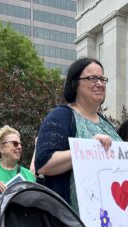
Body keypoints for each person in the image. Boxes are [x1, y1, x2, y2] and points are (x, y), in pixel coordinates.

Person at [35, 58, 120, 208]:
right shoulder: (61, 116)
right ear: (75, 83)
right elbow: (43, 164)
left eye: (102, 79)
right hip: (73, 216)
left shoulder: (106, 124)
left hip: (109, 209)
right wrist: (89, 148)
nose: (100, 84)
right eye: (92, 78)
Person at [0, 125, 36, 196]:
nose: (20, 147)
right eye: (15, 143)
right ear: (1, 148)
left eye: (20, 144)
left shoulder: (28, 175)